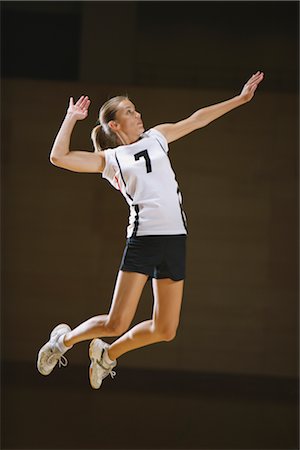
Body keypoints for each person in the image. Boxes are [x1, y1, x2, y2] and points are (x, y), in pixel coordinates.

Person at [37, 71, 264, 389]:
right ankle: (63, 340)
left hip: (175, 239)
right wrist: (71, 117)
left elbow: (197, 119)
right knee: (116, 321)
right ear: (114, 125)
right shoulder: (111, 159)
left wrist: (240, 99)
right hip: (144, 239)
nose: (137, 114)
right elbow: (58, 157)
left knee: (166, 329)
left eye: (135, 108)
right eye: (129, 111)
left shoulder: (157, 137)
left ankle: (107, 354)